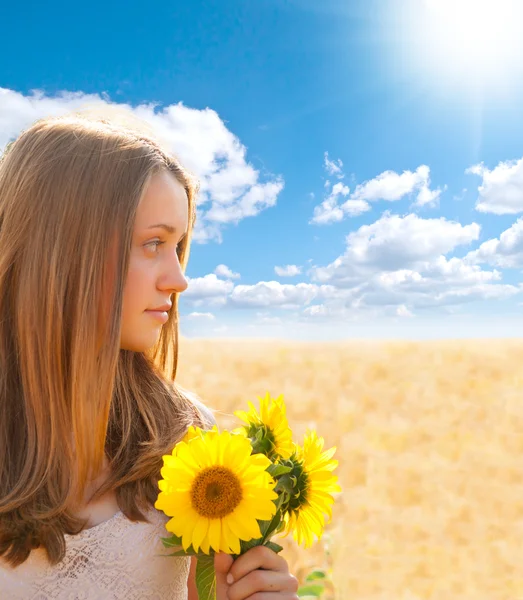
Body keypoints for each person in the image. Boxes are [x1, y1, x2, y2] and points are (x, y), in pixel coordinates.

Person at [0, 112, 299, 600]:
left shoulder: (190, 441)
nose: (178, 279)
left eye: (178, 247)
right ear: (63, 249)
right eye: (153, 243)